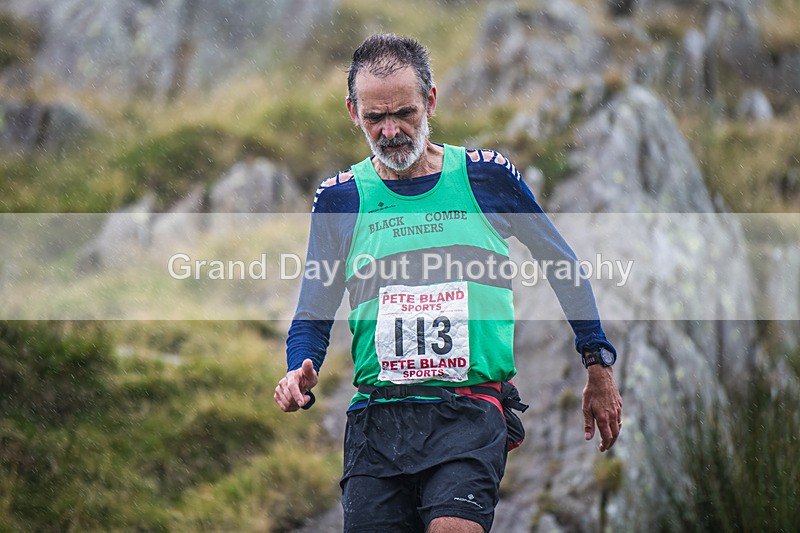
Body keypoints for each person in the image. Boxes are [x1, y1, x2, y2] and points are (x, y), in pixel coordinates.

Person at [274, 33, 622, 533]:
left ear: (431, 100)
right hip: (379, 420)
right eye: (375, 118)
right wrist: (297, 371)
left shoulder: (486, 177)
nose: (391, 131)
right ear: (353, 112)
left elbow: (561, 263)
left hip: (468, 411)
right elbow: (313, 312)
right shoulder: (340, 198)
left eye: (405, 114)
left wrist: (598, 363)